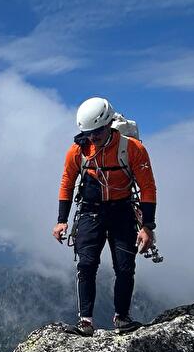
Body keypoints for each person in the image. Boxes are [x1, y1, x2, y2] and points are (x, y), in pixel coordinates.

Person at [52, 97, 156, 335]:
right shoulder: (77, 151)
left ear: (109, 124)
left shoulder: (132, 149)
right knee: (86, 265)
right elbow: (67, 184)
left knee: (125, 266)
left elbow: (148, 187)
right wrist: (61, 220)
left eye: (97, 132)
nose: (93, 138)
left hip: (122, 211)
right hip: (91, 211)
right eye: (89, 133)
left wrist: (147, 226)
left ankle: (122, 318)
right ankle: (85, 322)